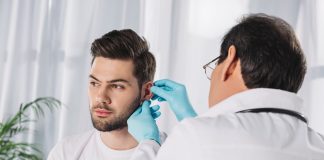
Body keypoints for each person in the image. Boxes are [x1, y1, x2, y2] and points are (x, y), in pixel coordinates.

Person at [127, 13, 324, 160]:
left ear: (230, 61)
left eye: (214, 65)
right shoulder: (319, 146)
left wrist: (149, 142)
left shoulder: (195, 138)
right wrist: (191, 120)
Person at [48, 29, 166, 160]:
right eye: (95, 83)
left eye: (117, 86)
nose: (100, 97)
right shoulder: (66, 152)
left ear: (147, 91)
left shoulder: (173, 150)